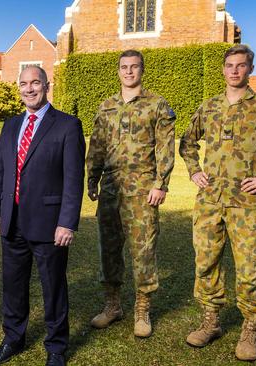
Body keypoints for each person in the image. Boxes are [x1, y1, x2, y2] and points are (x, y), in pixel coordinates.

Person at [179, 44, 256, 361]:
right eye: (230, 65)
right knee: (206, 264)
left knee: (250, 269)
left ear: (250, 69)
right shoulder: (208, 107)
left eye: (241, 66)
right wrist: (194, 170)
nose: (234, 70)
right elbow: (187, 142)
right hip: (209, 201)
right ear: (223, 70)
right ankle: (211, 322)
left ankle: (251, 329)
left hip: (246, 203)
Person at [0, 66, 85, 366]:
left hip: (49, 224)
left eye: (35, 83)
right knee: (13, 286)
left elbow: (73, 179)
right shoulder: (12, 126)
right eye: (24, 84)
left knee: (53, 287)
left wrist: (67, 221)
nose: (29, 89)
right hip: (11, 222)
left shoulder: (67, 125)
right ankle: (13, 338)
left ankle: (56, 347)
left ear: (46, 85)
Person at [86, 50, 175, 338]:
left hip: (143, 192)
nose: (128, 72)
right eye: (124, 67)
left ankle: (142, 309)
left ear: (142, 70)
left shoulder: (157, 105)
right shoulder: (106, 107)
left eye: (134, 67)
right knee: (109, 250)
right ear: (118, 71)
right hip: (112, 189)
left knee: (143, 251)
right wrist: (92, 179)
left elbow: (165, 147)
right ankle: (113, 306)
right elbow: (97, 146)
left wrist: (161, 183)